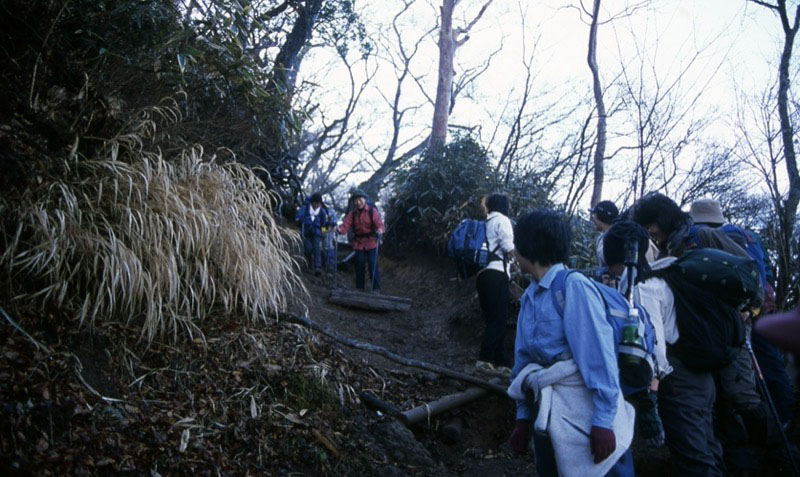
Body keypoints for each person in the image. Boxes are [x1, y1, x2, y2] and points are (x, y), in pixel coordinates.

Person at [632, 193, 768, 474]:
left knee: (739, 395)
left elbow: (748, 270)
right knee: (717, 405)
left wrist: (748, 309)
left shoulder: (702, 235)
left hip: (725, 329)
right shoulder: (670, 248)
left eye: (650, 226)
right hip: (699, 339)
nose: (650, 234)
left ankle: (769, 451)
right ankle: (732, 463)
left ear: (662, 218)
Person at [507, 209, 635, 477]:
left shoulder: (573, 287)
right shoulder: (530, 295)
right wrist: (522, 416)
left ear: (530, 245)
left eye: (517, 245)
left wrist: (603, 421)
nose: (513, 252)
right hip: (549, 413)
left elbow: (598, 356)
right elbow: (523, 362)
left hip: (585, 412)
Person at [604, 221, 724, 475]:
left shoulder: (643, 286)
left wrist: (651, 395)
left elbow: (655, 344)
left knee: (693, 456)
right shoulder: (666, 274)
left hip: (678, 379)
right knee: (707, 445)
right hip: (700, 375)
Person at [474, 193, 515, 373]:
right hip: (497, 273)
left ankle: (500, 361)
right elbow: (508, 246)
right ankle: (485, 359)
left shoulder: (487, 222)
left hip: (482, 274)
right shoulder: (502, 220)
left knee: (493, 318)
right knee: (499, 318)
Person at [336, 189, 384, 292]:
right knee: (359, 264)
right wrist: (339, 230)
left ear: (365, 199)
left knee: (372, 264)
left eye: (360, 199)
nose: (358, 202)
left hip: (371, 241)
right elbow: (344, 226)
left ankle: (376, 288)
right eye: (356, 200)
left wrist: (380, 230)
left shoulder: (372, 211)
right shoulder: (352, 214)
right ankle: (359, 287)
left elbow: (379, 224)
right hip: (359, 243)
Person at [295, 193, 335, 276]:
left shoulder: (322, 211)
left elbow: (324, 223)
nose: (317, 205)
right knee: (308, 248)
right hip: (305, 232)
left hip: (317, 233)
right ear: (312, 202)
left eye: (318, 203)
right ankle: (309, 262)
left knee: (317, 248)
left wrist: (324, 232)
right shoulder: (305, 208)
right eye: (315, 203)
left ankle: (318, 267)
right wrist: (299, 219)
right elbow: (298, 216)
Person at [589, 200, 619, 267]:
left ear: (600, 218)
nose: (593, 219)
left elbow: (611, 262)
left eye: (594, 215)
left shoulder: (607, 239)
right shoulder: (616, 235)